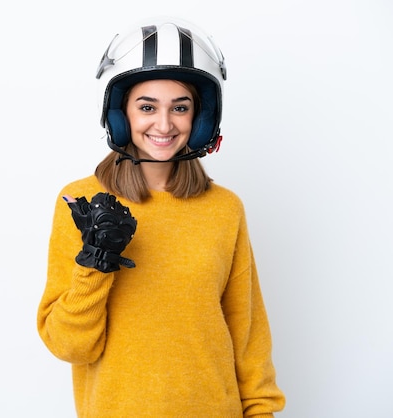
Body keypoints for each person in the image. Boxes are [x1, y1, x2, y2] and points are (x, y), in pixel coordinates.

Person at [36, 17, 286, 418]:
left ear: (201, 120)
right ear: (120, 115)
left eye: (181, 108)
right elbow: (69, 347)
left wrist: (261, 412)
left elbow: (247, 333)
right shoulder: (79, 201)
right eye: (147, 107)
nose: (164, 124)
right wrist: (94, 265)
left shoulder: (224, 209)